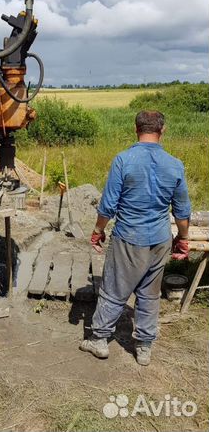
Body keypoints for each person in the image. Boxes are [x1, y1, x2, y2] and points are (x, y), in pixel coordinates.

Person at [80, 110, 191, 366]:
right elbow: (182, 211)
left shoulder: (123, 160)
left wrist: (97, 231)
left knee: (114, 290)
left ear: (136, 129)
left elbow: (108, 206)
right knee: (149, 294)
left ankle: (99, 341)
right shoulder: (175, 164)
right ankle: (143, 347)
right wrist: (182, 239)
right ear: (162, 131)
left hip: (129, 237)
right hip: (160, 240)